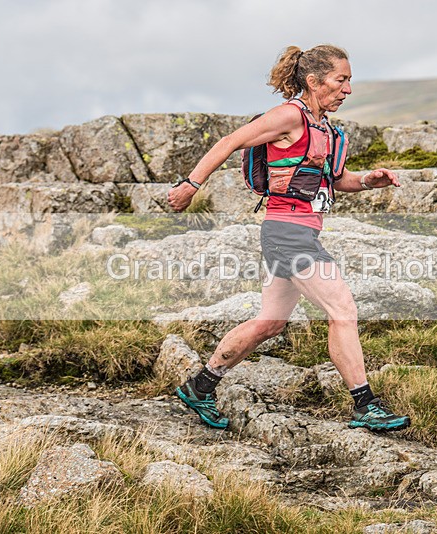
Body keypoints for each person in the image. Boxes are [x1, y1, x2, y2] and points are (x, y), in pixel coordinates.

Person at [167, 44, 410, 432]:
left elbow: (336, 180)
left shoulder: (324, 128)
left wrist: (368, 180)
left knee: (270, 323)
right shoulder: (288, 116)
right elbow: (230, 141)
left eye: (349, 81)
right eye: (341, 80)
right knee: (342, 310)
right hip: (287, 234)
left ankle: (200, 387)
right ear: (313, 81)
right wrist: (190, 185)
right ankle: (365, 405)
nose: (348, 89)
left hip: (298, 232)